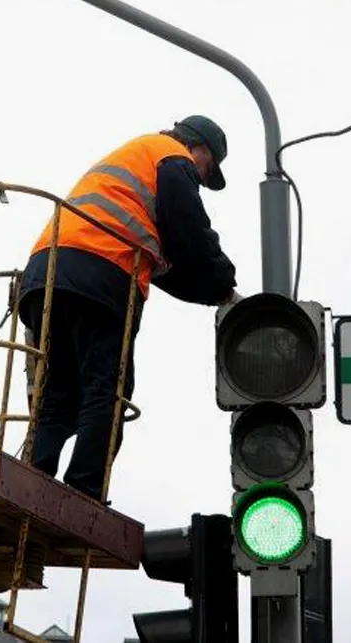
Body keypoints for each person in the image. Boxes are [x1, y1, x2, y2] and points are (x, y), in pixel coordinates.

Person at [17, 115, 240, 502]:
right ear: (199, 148)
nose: (203, 179)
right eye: (208, 169)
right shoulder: (172, 156)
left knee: (59, 391)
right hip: (100, 276)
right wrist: (224, 280)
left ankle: (31, 482)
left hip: (47, 270)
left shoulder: (133, 165)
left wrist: (217, 295)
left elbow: (168, 266)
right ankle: (84, 489)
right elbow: (189, 231)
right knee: (108, 388)